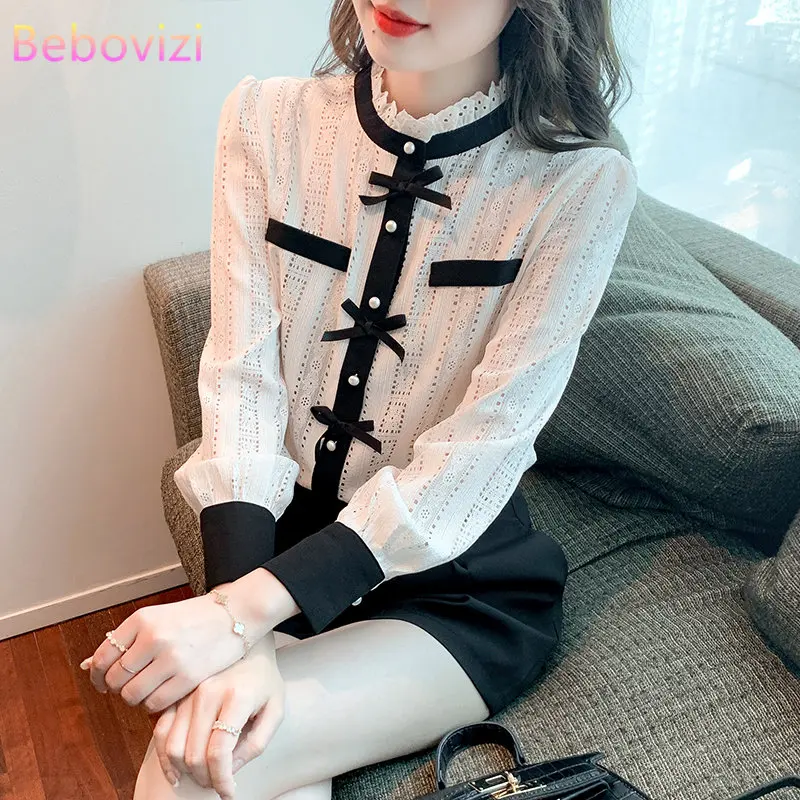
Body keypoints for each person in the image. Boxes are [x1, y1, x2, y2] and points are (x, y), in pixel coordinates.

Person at [82, 1, 638, 798]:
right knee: (210, 758)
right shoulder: (264, 119)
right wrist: (248, 627)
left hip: (452, 584)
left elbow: (487, 446)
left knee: (205, 763)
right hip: (275, 544)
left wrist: (240, 616)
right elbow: (240, 379)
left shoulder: (580, 182)